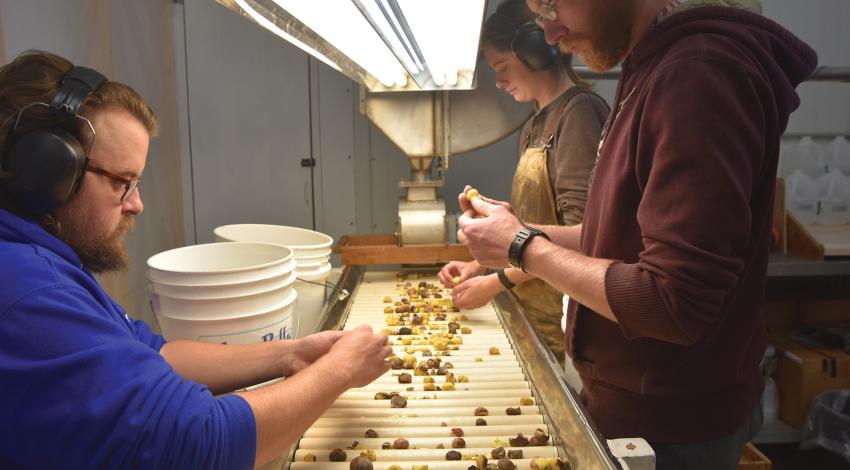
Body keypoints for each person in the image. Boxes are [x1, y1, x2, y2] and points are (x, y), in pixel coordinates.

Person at [456, 0, 817, 468]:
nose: (548, 34)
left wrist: (522, 248)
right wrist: (517, 232)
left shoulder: (699, 74)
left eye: (552, 3)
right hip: (638, 406)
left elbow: (672, 302)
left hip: (672, 427)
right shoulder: (652, 65)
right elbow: (611, 237)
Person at [0, 50, 391, 470]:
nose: (137, 205)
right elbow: (200, 443)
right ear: (48, 170)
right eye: (123, 183)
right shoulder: (26, 291)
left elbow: (159, 356)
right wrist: (339, 372)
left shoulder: (41, 262)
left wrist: (292, 354)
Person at [437, 0, 609, 366]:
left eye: (502, 67)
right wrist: (480, 264)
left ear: (538, 52)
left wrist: (496, 282)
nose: (498, 81)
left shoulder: (578, 114)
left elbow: (583, 238)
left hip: (564, 318)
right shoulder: (535, 123)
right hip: (533, 308)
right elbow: (531, 226)